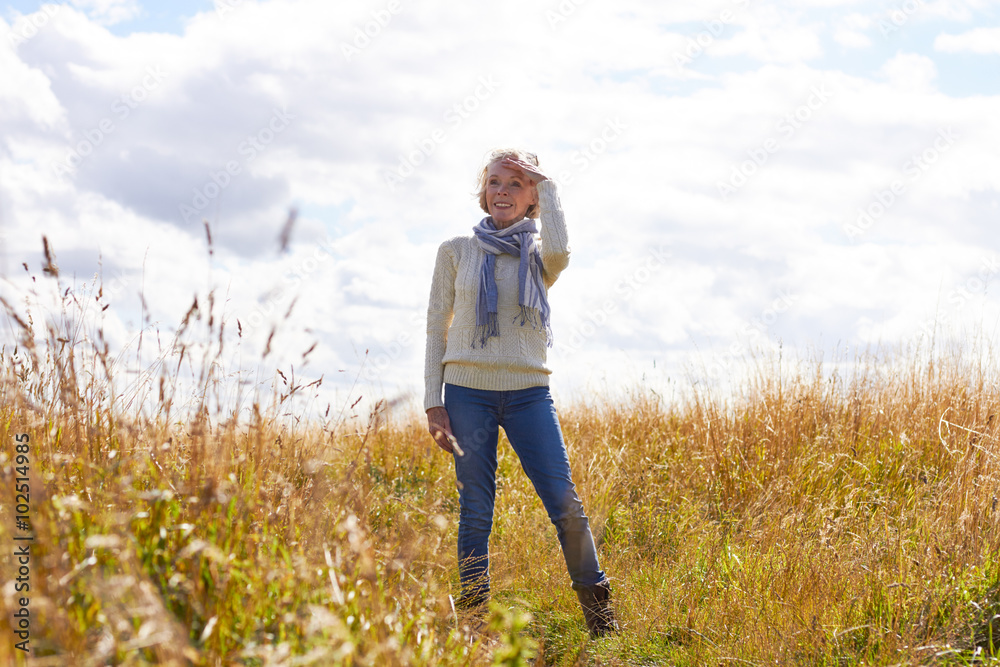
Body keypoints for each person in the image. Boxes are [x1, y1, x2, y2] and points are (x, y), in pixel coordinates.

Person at [423, 148, 618, 637]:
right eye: (494, 183)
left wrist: (549, 184)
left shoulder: (539, 257)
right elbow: (435, 327)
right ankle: (473, 615)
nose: (502, 192)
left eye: (516, 183)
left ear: (532, 196)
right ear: (483, 191)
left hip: (530, 393)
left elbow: (562, 252)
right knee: (476, 505)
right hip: (467, 392)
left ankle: (600, 619)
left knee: (564, 501)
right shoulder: (455, 251)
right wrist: (434, 400)